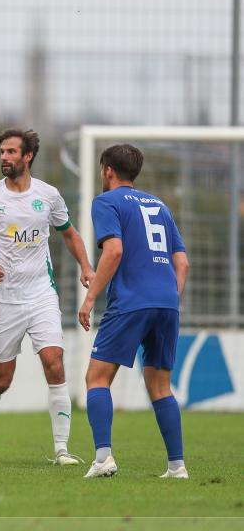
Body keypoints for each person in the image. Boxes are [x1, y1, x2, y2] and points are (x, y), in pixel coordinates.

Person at [0, 128, 95, 466]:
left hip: (41, 293)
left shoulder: (48, 195)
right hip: (3, 299)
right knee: (1, 380)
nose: (4, 157)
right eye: (2, 152)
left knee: (54, 361)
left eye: (11, 152)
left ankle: (62, 449)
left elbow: (69, 234)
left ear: (28, 156)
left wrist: (86, 266)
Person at [78, 144, 190, 479]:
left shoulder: (107, 202)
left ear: (108, 170)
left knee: (97, 378)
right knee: (161, 387)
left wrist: (90, 299)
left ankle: (103, 458)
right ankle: (177, 466)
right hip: (167, 303)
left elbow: (113, 251)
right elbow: (182, 263)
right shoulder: (159, 205)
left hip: (131, 302)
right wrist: (168, 298)